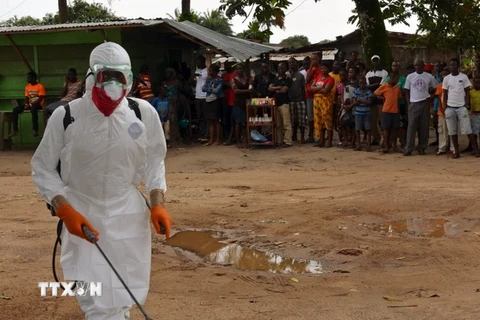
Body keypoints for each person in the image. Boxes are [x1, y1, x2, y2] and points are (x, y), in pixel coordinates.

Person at [30, 42, 172, 319]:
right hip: (83, 211)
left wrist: (157, 201)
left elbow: (155, 158)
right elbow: (43, 167)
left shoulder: (143, 114)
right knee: (93, 291)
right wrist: (64, 208)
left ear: (129, 79)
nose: (114, 85)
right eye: (107, 76)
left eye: (121, 77)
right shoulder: (67, 116)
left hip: (127, 213)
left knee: (125, 286)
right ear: (92, 77)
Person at [443, 58, 478, 158]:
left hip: (461, 107)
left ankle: (476, 150)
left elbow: (467, 92)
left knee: (467, 129)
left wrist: (466, 104)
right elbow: (445, 94)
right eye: (451, 65)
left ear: (458, 66)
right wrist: (445, 107)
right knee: (452, 131)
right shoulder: (446, 79)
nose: (452, 66)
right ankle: (456, 151)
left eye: (454, 65)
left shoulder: (464, 77)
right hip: (450, 107)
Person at [403, 59, 437, 156]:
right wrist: (409, 102)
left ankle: (422, 147)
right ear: (414, 66)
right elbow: (406, 90)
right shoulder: (410, 76)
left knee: (424, 127)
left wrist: (431, 98)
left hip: (424, 103)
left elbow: (435, 89)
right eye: (416, 65)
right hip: (413, 103)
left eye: (420, 65)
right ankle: (408, 148)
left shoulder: (429, 76)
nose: (418, 67)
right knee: (411, 127)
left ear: (423, 66)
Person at [10, 71, 46, 137]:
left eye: (29, 77)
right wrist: (26, 104)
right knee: (15, 110)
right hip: (30, 104)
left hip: (38, 104)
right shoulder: (27, 87)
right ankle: (15, 129)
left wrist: (31, 104)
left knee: (33, 109)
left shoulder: (40, 86)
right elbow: (26, 97)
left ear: (33, 78)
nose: (27, 79)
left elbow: (41, 98)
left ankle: (35, 130)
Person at [374, 72, 403, 153]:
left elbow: (398, 98)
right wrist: (381, 97)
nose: (397, 81)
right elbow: (375, 93)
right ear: (392, 78)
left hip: (395, 110)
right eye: (396, 79)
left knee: (395, 129)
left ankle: (394, 146)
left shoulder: (397, 88)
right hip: (386, 110)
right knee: (386, 129)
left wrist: (398, 110)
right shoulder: (384, 86)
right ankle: (386, 146)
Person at [382, 61, 407, 148]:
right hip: (388, 107)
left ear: (399, 67)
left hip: (400, 105)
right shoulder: (387, 79)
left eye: (397, 65)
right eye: (393, 66)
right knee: (388, 126)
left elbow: (404, 92)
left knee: (400, 125)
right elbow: (382, 91)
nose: (395, 67)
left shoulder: (403, 79)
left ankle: (402, 143)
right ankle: (387, 144)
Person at [366, 55, 389, 146]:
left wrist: (374, 87)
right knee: (372, 120)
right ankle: (376, 138)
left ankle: (384, 139)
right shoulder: (368, 73)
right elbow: (367, 86)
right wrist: (376, 85)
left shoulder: (384, 72)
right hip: (372, 99)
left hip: (380, 99)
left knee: (381, 120)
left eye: (377, 60)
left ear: (379, 61)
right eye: (374, 61)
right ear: (372, 62)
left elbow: (382, 86)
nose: (375, 62)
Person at [311, 62, 335, 147]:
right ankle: (321, 141)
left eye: (324, 68)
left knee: (327, 120)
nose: (322, 70)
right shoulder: (318, 77)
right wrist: (320, 88)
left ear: (328, 69)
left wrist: (316, 89)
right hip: (317, 101)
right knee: (319, 120)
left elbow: (326, 91)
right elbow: (311, 88)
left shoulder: (331, 79)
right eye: (321, 68)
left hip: (326, 101)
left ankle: (329, 142)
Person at [269, 62, 293, 147]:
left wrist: (275, 89)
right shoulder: (275, 79)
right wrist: (278, 87)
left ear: (285, 69)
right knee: (278, 124)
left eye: (282, 68)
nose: (280, 70)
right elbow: (270, 88)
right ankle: (279, 141)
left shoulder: (288, 79)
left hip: (284, 103)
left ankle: (288, 141)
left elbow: (284, 90)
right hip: (276, 104)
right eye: (279, 68)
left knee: (286, 123)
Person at [202, 64, 224, 146]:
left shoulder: (220, 80)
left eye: (210, 71)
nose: (209, 72)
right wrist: (211, 89)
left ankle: (218, 139)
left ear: (215, 72)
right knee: (210, 121)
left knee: (216, 121)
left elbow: (217, 91)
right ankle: (211, 139)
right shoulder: (209, 79)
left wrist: (209, 89)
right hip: (209, 100)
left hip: (216, 101)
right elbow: (203, 89)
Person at [231, 63, 252, 148]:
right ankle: (238, 141)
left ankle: (247, 140)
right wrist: (247, 91)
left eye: (241, 69)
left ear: (243, 70)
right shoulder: (233, 80)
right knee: (238, 122)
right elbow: (236, 91)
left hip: (247, 102)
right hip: (238, 103)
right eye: (238, 69)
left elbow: (251, 89)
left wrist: (242, 91)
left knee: (247, 122)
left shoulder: (248, 79)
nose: (239, 70)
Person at [287, 57, 307, 143]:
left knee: (301, 120)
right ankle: (294, 135)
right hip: (290, 100)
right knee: (293, 120)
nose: (291, 64)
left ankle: (302, 137)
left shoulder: (301, 75)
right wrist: (290, 76)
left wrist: (304, 99)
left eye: (293, 62)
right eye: (290, 62)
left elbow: (303, 88)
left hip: (300, 100)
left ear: (297, 63)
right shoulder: (287, 75)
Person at [351, 77, 374, 151]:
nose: (362, 85)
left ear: (366, 83)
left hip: (367, 112)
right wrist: (364, 100)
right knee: (357, 129)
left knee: (368, 129)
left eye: (363, 83)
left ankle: (369, 145)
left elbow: (369, 102)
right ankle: (359, 145)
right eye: (360, 83)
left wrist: (360, 100)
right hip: (358, 112)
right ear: (358, 84)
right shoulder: (356, 91)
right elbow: (354, 101)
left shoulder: (369, 91)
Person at [305, 52, 322, 143]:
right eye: (312, 59)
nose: (314, 61)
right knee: (310, 117)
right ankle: (311, 135)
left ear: (319, 59)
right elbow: (307, 80)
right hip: (309, 96)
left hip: (318, 95)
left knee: (318, 116)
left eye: (315, 59)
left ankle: (319, 136)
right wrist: (311, 67)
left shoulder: (321, 70)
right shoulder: (309, 70)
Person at [435, 68, 450, 155]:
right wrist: (441, 109)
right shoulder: (440, 86)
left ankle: (452, 147)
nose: (444, 76)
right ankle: (442, 147)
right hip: (441, 111)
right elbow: (439, 99)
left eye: (446, 74)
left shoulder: (451, 84)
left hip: (451, 109)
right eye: (442, 75)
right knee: (442, 130)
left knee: (451, 129)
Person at [194, 56, 209, 142]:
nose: (197, 64)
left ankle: (207, 135)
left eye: (198, 62)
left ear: (203, 62)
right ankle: (202, 134)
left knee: (206, 116)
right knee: (200, 117)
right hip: (197, 96)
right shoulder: (197, 71)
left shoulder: (207, 71)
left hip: (205, 96)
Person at [469, 76, 480, 155]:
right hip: (474, 114)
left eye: (479, 83)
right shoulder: (471, 92)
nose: (478, 84)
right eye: (476, 83)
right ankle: (475, 149)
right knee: (474, 133)